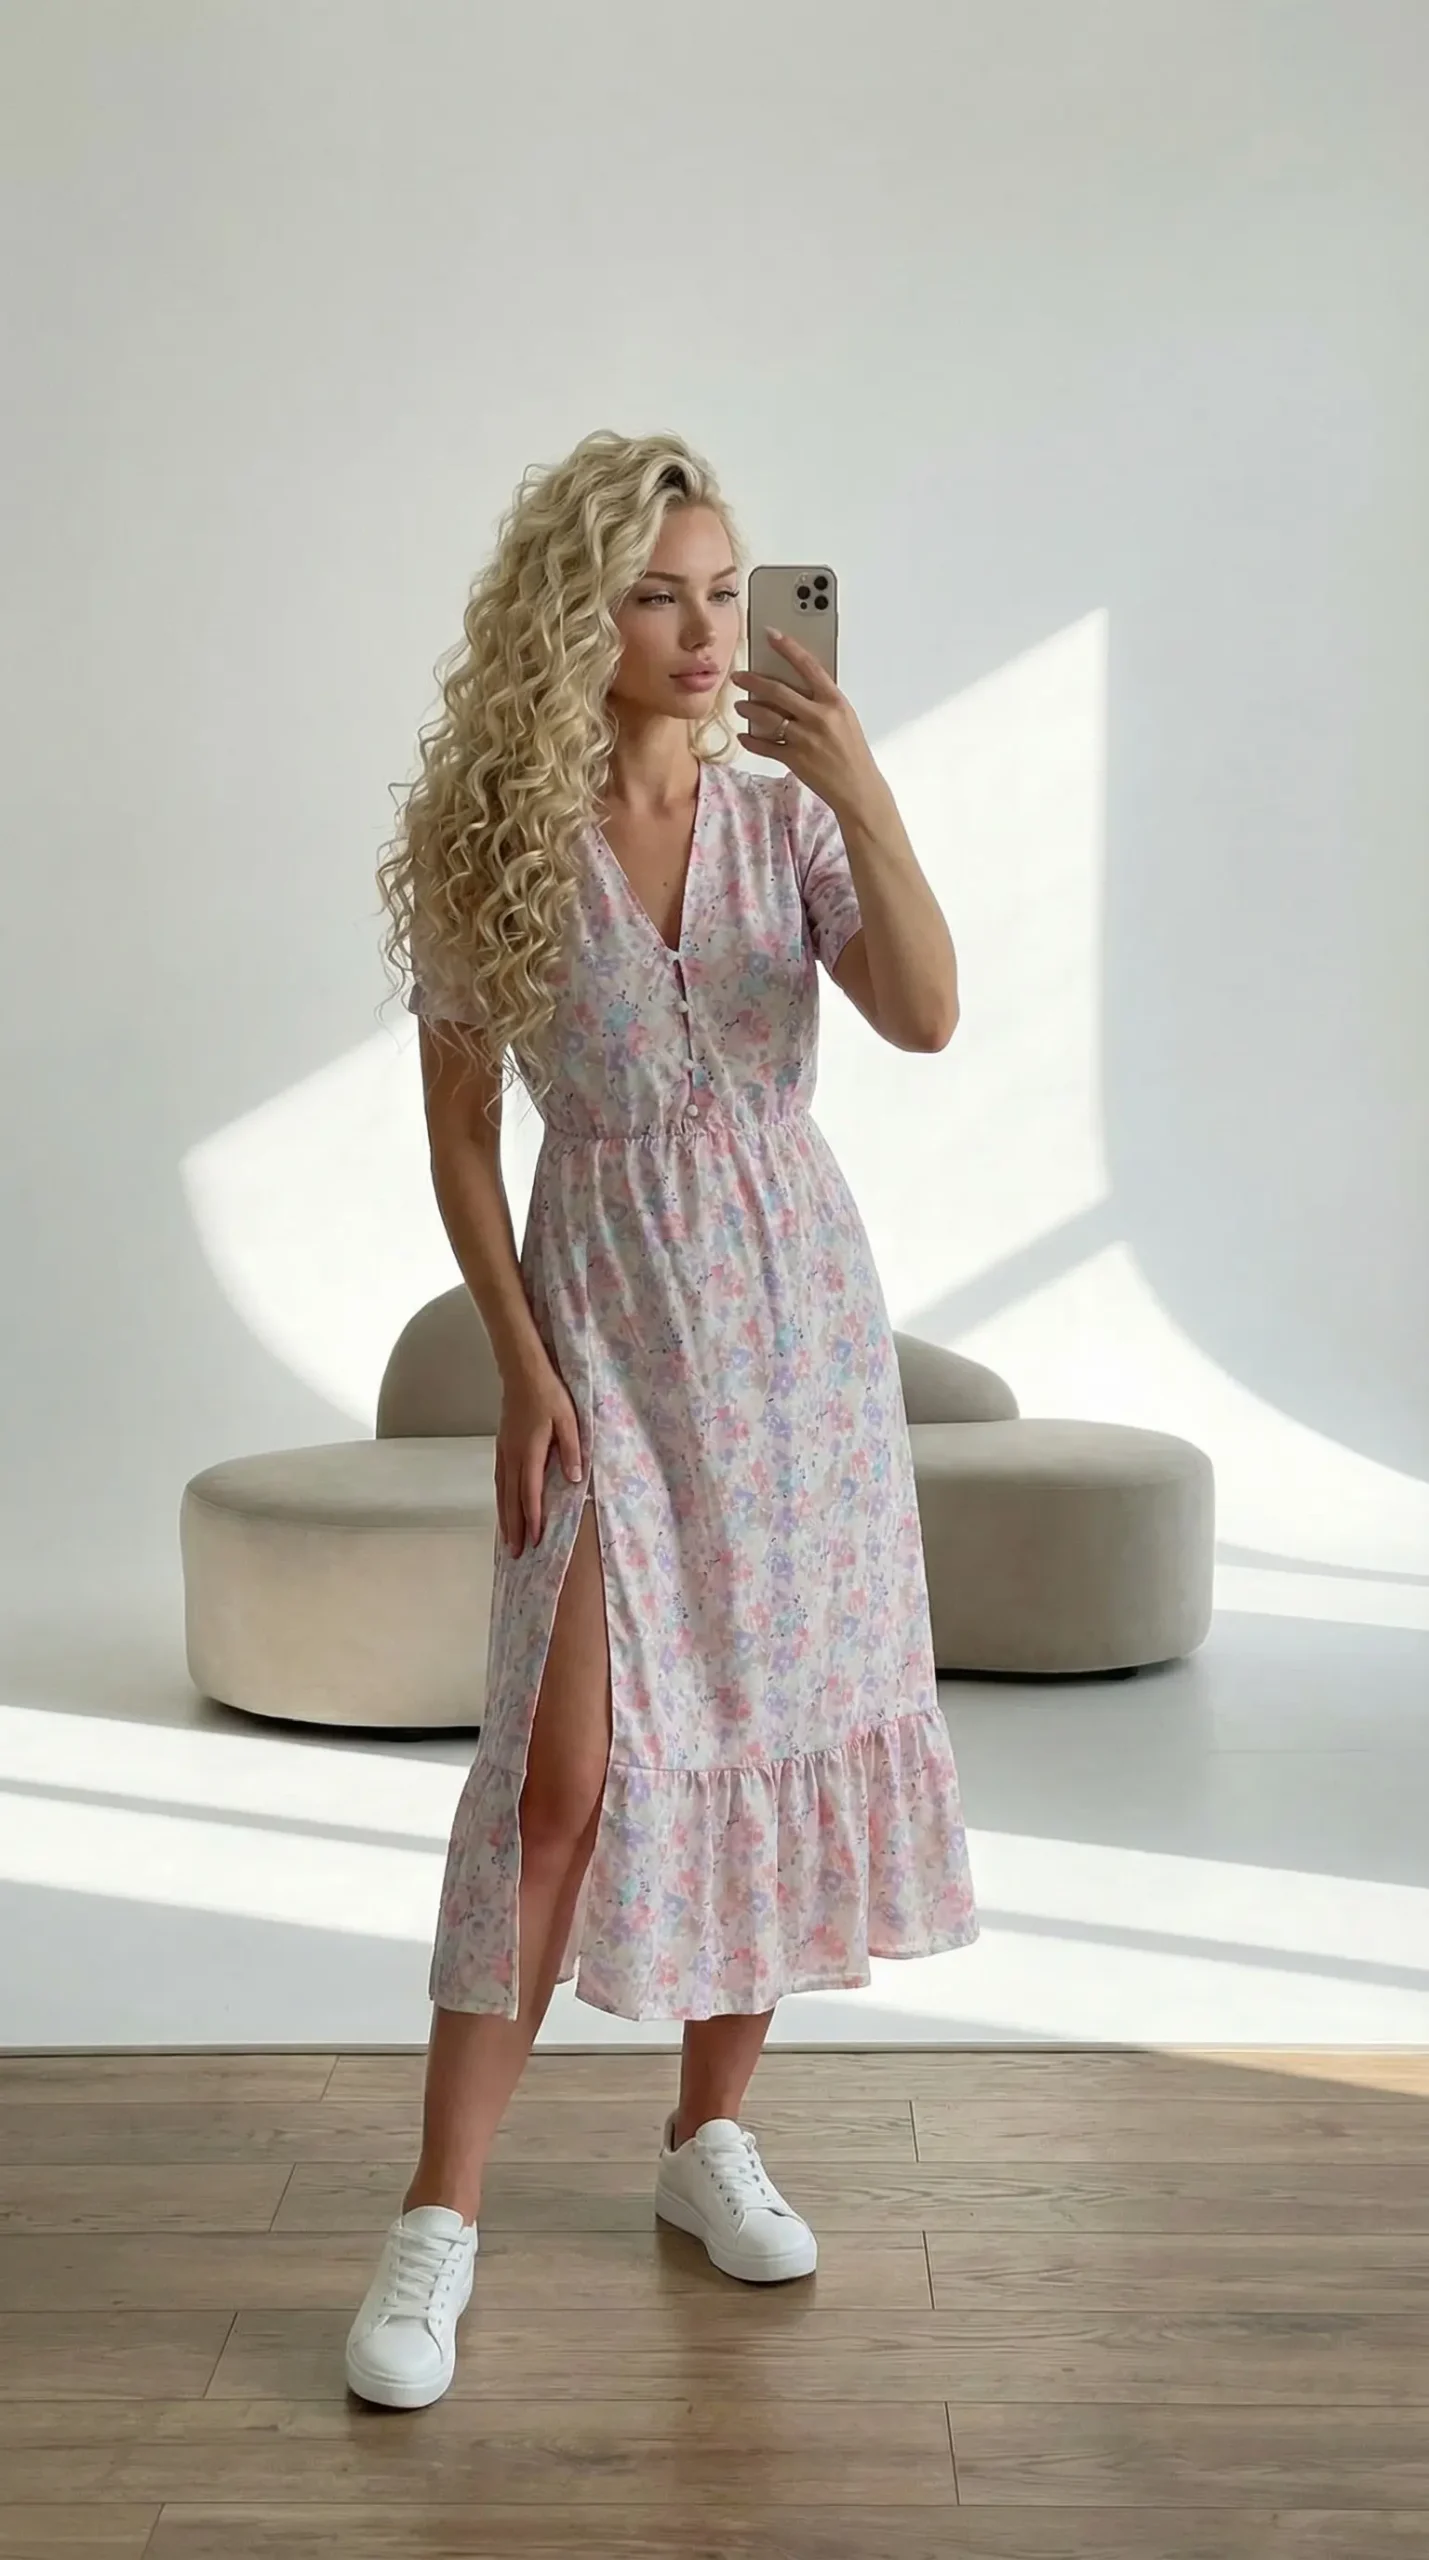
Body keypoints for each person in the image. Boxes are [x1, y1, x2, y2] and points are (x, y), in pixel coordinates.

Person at [346, 428, 979, 2410]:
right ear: (581, 614)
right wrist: (520, 1363)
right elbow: (463, 1134)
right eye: (659, 595)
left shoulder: (789, 827)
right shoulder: (500, 841)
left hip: (800, 1346)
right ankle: (436, 2218)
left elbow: (929, 1013)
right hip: (608, 1332)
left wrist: (863, 787)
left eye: (726, 591)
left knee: (777, 1726)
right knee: (561, 1780)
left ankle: (708, 2135)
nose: (707, 633)